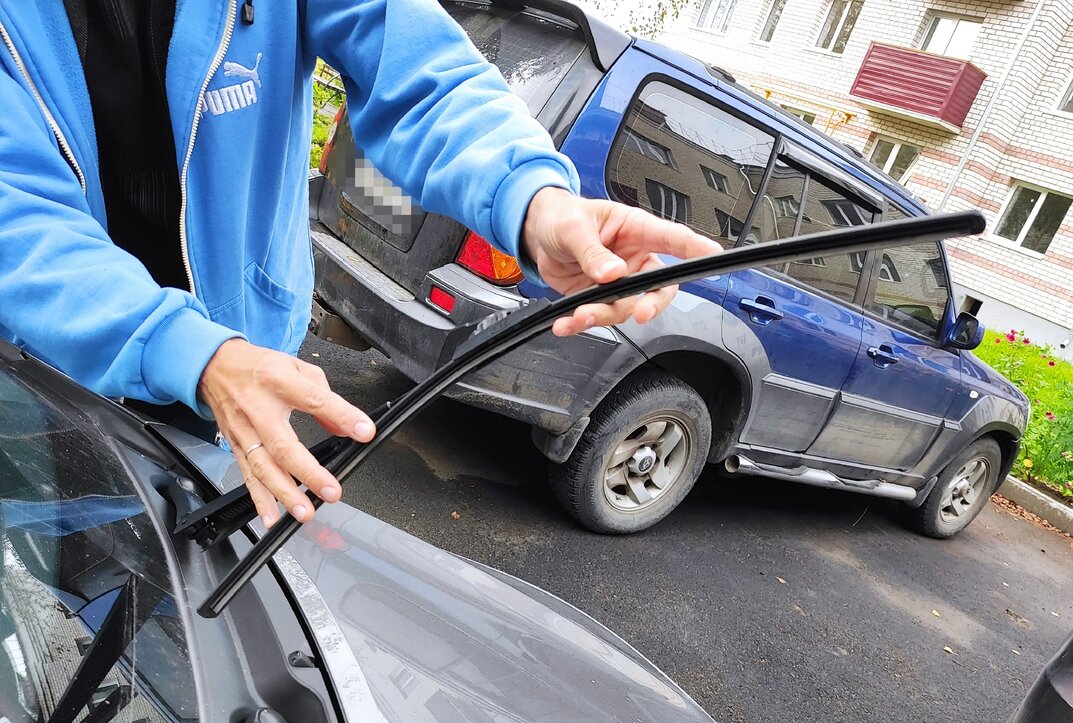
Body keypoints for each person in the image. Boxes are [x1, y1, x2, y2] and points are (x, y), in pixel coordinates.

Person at [0, 0, 720, 528]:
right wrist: (190, 351)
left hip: (250, 376)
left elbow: (418, 69)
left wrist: (532, 198)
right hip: (53, 376)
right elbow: (18, 218)